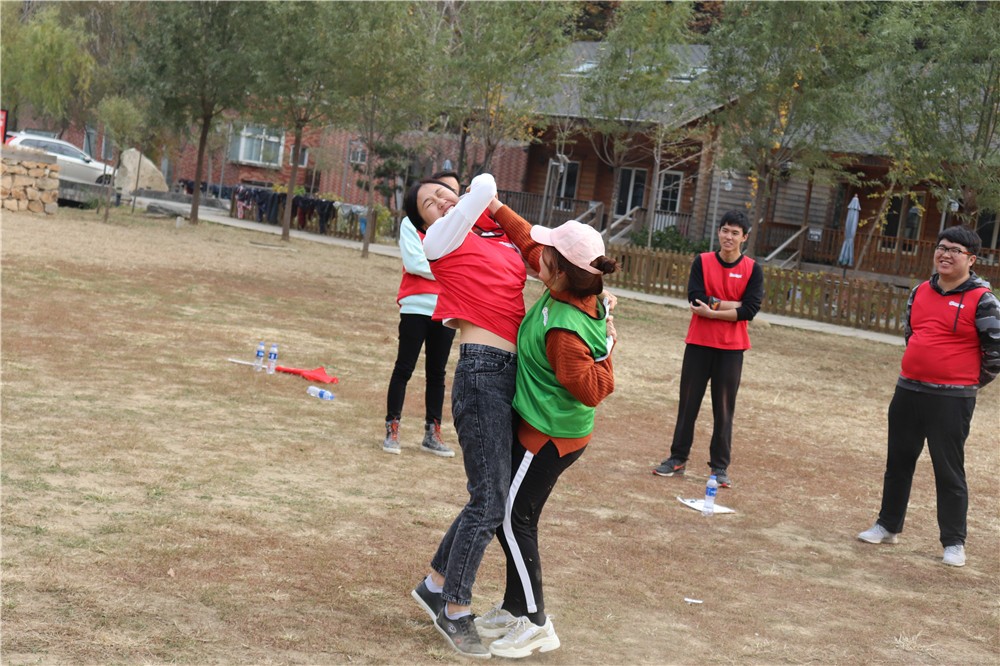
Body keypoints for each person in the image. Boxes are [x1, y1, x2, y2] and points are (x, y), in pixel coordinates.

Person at [472, 212, 619, 659]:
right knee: (513, 519)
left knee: (511, 520)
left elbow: (594, 390)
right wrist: (494, 207)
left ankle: (536, 622)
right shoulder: (562, 282)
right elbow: (526, 241)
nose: (538, 258)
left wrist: (609, 346)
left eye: (547, 255)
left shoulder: (564, 331)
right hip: (538, 426)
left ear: (560, 271)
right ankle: (515, 607)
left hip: (550, 437)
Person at [405, 172, 528, 658]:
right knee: (489, 502)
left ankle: (436, 583)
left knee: (491, 497)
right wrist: (478, 198)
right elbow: (484, 185)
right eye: (428, 202)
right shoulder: (440, 240)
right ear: (424, 222)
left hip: (510, 373)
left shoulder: (494, 234)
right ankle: (455, 609)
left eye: (442, 193)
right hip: (481, 374)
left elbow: (547, 256)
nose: (439, 200)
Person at [858, 226, 999, 567]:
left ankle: (953, 542)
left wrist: (961, 382)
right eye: (941, 247)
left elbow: (995, 355)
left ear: (971, 259)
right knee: (898, 462)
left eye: (955, 250)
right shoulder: (920, 291)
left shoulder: (983, 300)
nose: (945, 254)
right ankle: (887, 526)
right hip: (909, 390)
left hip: (952, 399)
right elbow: (912, 333)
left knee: (948, 469)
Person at [653, 209, 764, 488]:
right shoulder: (702, 262)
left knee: (724, 409)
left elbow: (749, 310)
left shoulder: (752, 269)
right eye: (725, 230)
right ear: (719, 232)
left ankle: (719, 468)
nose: (729, 236)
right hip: (699, 344)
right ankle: (677, 458)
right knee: (688, 404)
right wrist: (731, 305)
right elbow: (695, 299)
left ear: (744, 238)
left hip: (731, 349)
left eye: (735, 233)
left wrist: (714, 311)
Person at [381, 171, 462, 457]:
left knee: (437, 374)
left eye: (453, 192)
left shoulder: (458, 229)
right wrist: (448, 274)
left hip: (446, 309)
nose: (446, 200)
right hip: (416, 306)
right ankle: (392, 427)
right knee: (404, 367)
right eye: (441, 193)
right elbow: (415, 263)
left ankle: (433, 432)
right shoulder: (411, 223)